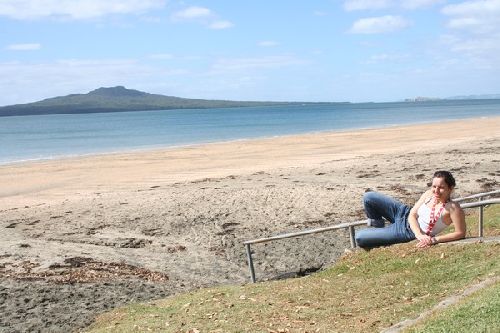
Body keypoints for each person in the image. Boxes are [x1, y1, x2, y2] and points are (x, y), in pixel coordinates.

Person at [355, 170, 466, 248]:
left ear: (450, 188)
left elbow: (460, 233)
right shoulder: (428, 194)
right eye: (434, 186)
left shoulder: (453, 208)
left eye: (441, 187)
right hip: (403, 213)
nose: (436, 191)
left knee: (359, 237)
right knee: (369, 197)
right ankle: (378, 228)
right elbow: (412, 214)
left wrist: (433, 240)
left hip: (406, 231)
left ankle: (380, 234)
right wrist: (419, 234)